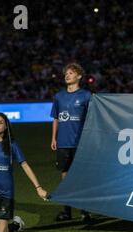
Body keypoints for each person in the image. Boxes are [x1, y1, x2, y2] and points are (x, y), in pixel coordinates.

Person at [50, 62, 93, 222]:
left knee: (81, 177)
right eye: (66, 73)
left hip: (80, 143)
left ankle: (85, 211)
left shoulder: (86, 96)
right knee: (65, 177)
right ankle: (66, 211)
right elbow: (56, 118)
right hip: (63, 143)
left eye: (70, 73)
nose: (67, 75)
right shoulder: (59, 96)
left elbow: (92, 117)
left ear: (79, 76)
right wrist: (54, 138)